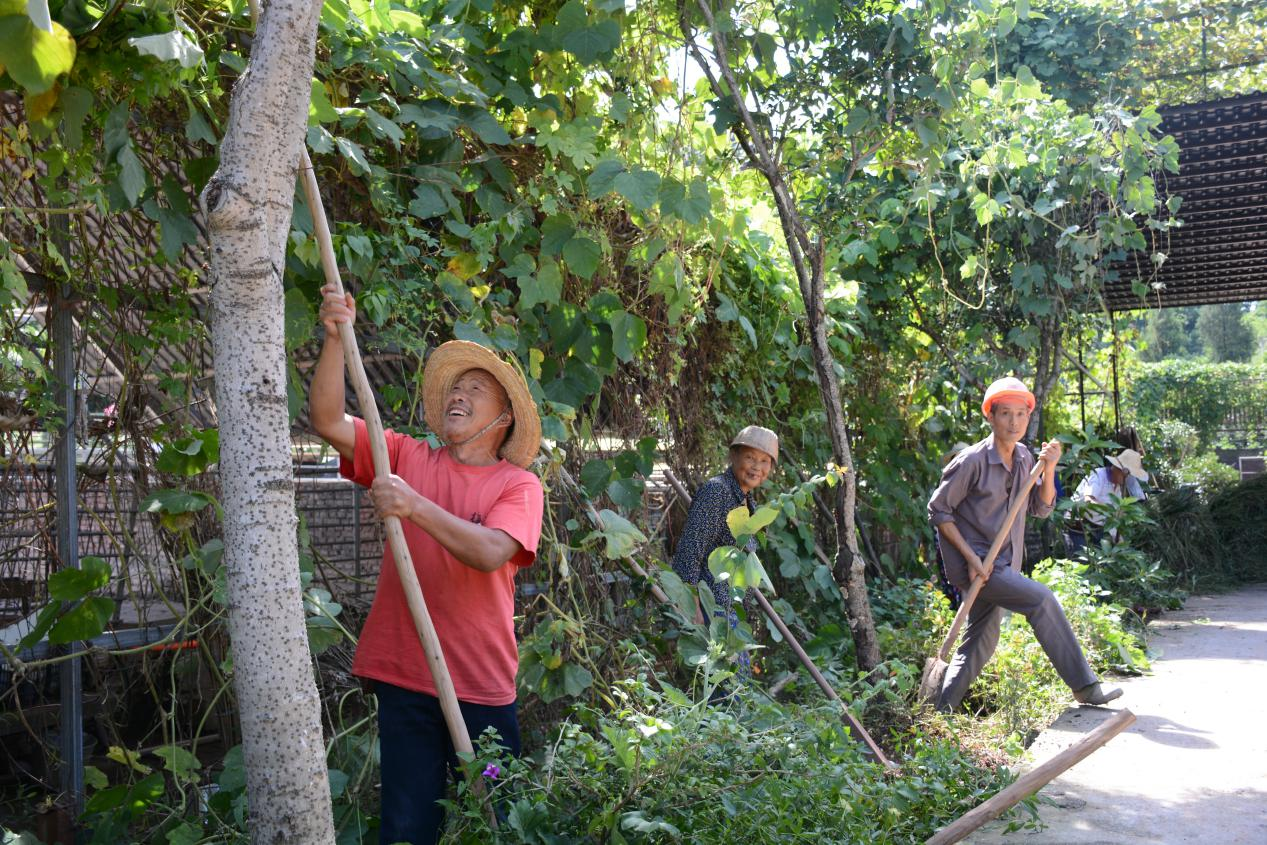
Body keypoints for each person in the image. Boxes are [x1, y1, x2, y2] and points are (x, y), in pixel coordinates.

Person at [311, 284, 544, 845]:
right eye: (455, 389)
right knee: (408, 829)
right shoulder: (406, 456)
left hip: (480, 683)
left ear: (505, 417)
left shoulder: (518, 484)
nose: (458, 396)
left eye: (476, 391)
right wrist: (336, 337)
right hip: (407, 675)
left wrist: (413, 505)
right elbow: (326, 421)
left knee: (499, 824)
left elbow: (491, 552)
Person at [927, 377, 1122, 712]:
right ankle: (1085, 687)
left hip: (1003, 563)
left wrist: (1049, 468)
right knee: (1041, 600)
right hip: (978, 566)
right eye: (1005, 414)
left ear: (1028, 418)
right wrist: (973, 559)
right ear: (990, 416)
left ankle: (938, 710)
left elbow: (1041, 509)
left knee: (980, 643)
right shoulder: (972, 461)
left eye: (1020, 414)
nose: (1013, 422)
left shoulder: (1023, 458)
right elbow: (938, 510)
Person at [672, 425, 778, 678]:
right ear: (734, 456)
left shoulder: (745, 499)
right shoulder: (717, 491)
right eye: (750, 457)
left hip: (728, 612)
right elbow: (690, 549)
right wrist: (692, 606)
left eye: (764, 461)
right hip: (711, 610)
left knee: (732, 692)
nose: (756, 467)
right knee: (727, 691)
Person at [1066, 448, 1149, 552]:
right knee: (1081, 563)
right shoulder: (1098, 475)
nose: (1128, 478)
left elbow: (1111, 519)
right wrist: (1111, 511)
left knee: (1099, 563)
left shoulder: (1118, 489)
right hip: (1076, 525)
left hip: (1095, 528)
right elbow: (1089, 500)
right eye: (1128, 474)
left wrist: (1122, 545)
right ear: (1120, 470)